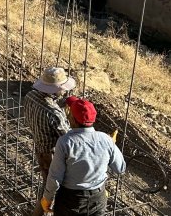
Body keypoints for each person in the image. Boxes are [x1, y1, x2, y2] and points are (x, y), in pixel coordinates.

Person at [41, 96, 126, 216]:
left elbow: (55, 177)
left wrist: (47, 198)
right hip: (98, 198)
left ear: (74, 120)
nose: (68, 117)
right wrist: (112, 145)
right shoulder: (105, 139)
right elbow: (120, 168)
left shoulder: (65, 142)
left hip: (70, 200)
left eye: (70, 115)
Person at [24, 66, 75, 216]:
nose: (65, 91)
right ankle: (39, 213)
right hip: (53, 155)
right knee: (51, 189)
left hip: (40, 147)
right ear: (54, 89)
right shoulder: (54, 113)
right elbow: (69, 138)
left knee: (47, 184)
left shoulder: (30, 96)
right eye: (62, 88)